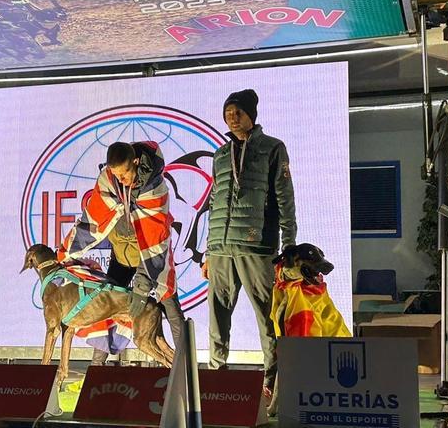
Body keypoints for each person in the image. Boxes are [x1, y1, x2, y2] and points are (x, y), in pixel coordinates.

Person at [201, 89, 296, 406]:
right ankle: (216, 378)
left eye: (237, 111)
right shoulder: (219, 154)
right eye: (227, 112)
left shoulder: (272, 149)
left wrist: (289, 246)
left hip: (257, 247)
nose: (231, 116)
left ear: (251, 114)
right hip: (221, 249)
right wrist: (207, 250)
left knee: (268, 319)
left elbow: (285, 198)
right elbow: (214, 203)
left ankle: (272, 382)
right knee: (216, 317)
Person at [59, 141, 186, 362]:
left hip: (151, 257)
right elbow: (91, 221)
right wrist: (64, 253)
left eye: (125, 173)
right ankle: (96, 371)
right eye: (116, 174)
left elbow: (155, 243)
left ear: (135, 162)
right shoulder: (109, 180)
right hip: (121, 256)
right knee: (105, 306)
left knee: (170, 307)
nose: (121, 179)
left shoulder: (155, 188)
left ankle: (187, 368)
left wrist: (142, 286)